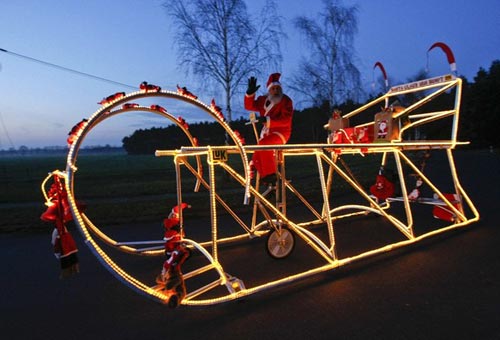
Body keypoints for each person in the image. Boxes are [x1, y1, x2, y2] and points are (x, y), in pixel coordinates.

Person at [244, 73, 293, 184]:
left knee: (264, 145)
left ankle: (271, 176)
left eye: (278, 88)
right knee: (256, 158)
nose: (276, 90)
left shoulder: (286, 101)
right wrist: (250, 94)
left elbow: (286, 120)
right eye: (273, 88)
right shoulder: (263, 100)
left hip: (281, 133)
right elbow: (249, 106)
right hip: (266, 133)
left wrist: (268, 121)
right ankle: (268, 182)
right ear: (269, 90)